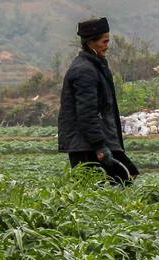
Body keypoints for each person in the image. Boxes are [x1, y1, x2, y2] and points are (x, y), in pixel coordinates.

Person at [58, 16, 139, 184]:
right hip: (87, 146)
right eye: (104, 42)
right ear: (90, 43)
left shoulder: (95, 66)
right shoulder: (84, 71)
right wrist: (100, 147)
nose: (107, 46)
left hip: (98, 141)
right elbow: (87, 113)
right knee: (95, 194)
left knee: (127, 178)